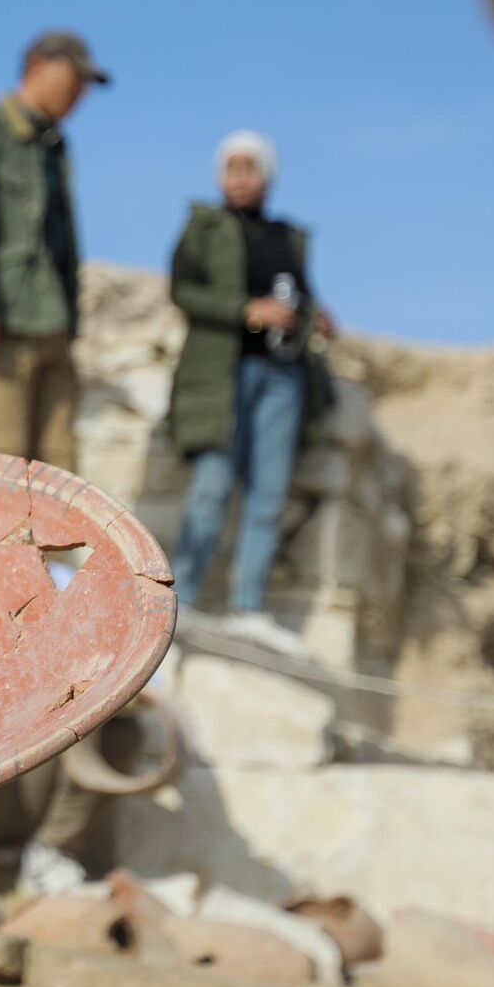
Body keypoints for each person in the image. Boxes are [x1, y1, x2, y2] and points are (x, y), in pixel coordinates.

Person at [167, 131, 334, 653]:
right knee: (212, 487)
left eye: (250, 168)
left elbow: (300, 293)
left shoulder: (289, 236)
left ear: (268, 174)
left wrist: (315, 315)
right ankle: (182, 601)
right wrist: (246, 309)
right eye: (231, 168)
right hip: (221, 375)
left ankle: (248, 605)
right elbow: (182, 291)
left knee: (269, 492)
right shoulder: (205, 226)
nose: (239, 177)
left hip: (282, 377)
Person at [0, 30, 109, 471]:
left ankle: (57, 547)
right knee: (5, 469)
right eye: (75, 78)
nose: (80, 93)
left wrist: (71, 320)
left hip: (52, 328)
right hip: (3, 329)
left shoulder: (54, 144)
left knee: (59, 474)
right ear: (38, 67)